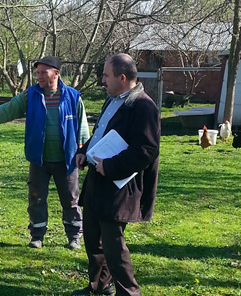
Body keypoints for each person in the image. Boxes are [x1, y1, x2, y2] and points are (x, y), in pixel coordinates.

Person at [0, 56, 90, 249]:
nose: (38, 76)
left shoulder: (73, 97)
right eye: (37, 72)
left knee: (71, 200)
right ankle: (37, 236)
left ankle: (74, 237)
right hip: (39, 160)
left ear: (56, 73)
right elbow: (8, 110)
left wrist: (83, 151)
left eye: (43, 73)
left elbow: (83, 127)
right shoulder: (30, 95)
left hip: (67, 160)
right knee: (36, 199)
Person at [72, 53, 160, 296]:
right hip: (97, 181)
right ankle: (100, 285)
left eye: (105, 76)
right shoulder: (112, 100)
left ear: (122, 77)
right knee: (92, 239)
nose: (102, 80)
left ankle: (129, 293)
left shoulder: (143, 106)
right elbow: (101, 134)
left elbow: (147, 150)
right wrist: (83, 151)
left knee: (113, 245)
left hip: (120, 186)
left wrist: (110, 166)